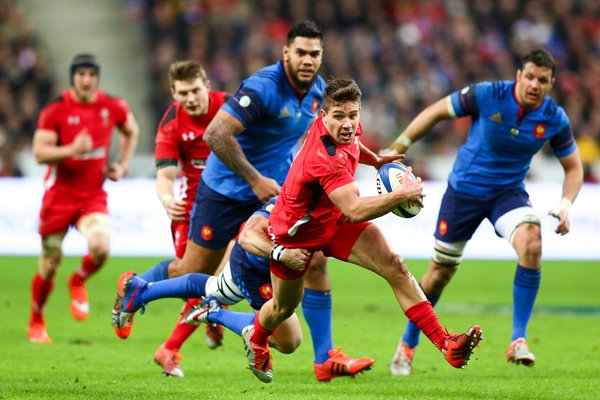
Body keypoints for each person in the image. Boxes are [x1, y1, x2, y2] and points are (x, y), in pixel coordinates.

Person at [112, 21, 368, 376]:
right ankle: (139, 289)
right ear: (286, 54)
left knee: (314, 259)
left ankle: (324, 358)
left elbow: (331, 139)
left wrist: (373, 158)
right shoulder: (264, 87)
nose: (308, 60)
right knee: (194, 271)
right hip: (225, 191)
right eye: (301, 52)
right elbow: (216, 134)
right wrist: (254, 179)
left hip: (278, 193)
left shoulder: (321, 94)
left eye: (315, 53)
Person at [240, 78, 482, 383]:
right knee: (283, 307)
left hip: (332, 220)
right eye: (339, 117)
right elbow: (353, 209)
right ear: (322, 117)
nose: (347, 124)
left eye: (353, 115)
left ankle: (446, 345)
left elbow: (354, 146)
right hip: (294, 234)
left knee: (394, 265)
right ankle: (258, 338)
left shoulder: (349, 130)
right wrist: (400, 195)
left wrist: (376, 159)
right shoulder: (323, 159)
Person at [383, 48, 583, 376]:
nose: (534, 84)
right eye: (530, 77)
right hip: (463, 194)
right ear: (519, 76)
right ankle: (407, 344)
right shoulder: (489, 94)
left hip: (507, 195)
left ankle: (518, 339)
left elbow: (573, 168)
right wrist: (398, 147)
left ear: (551, 84)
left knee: (532, 243)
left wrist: (565, 205)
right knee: (437, 276)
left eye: (542, 80)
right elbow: (436, 112)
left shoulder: (553, 118)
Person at [113, 197, 374, 382]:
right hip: (255, 266)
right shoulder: (298, 192)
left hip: (262, 262)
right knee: (288, 340)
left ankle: (141, 291)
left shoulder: (327, 186)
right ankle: (212, 314)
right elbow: (250, 234)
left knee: (216, 288)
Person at [28, 53, 139, 343]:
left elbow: (132, 130)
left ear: (97, 77)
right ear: (73, 78)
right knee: (49, 262)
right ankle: (36, 320)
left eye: (91, 74)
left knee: (101, 248)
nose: (87, 80)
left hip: (92, 195)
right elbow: (40, 153)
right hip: (59, 194)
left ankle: (77, 280)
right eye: (81, 75)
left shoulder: (111, 105)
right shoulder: (56, 109)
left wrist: (122, 164)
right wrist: (70, 149)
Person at [147, 60, 229, 376]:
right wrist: (167, 199)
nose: (191, 98)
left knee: (215, 282)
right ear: (173, 93)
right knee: (194, 283)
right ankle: (136, 286)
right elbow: (165, 175)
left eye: (196, 90)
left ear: (207, 85)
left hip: (234, 207)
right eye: (183, 93)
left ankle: (168, 348)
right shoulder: (171, 122)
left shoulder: (229, 108)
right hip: (192, 211)